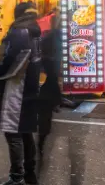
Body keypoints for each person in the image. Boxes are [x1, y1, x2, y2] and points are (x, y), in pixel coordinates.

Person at [0, 2, 42, 185]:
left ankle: (16, 176)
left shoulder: (19, 33)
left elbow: (9, 64)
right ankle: (29, 174)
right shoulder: (36, 32)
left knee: (13, 132)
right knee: (25, 132)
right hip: (31, 88)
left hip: (15, 90)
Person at [37, 10, 62, 169]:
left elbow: (40, 57)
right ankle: (41, 141)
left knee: (44, 115)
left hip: (46, 80)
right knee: (46, 115)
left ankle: (40, 143)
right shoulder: (63, 39)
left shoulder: (46, 38)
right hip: (52, 81)